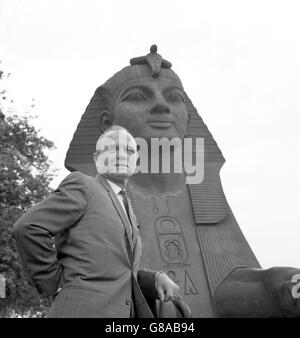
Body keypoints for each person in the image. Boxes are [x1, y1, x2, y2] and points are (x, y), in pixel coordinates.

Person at [65, 45, 300, 317]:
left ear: (188, 118)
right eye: (138, 96)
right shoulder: (89, 194)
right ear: (107, 123)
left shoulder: (202, 193)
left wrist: (281, 285)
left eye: (174, 97)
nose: (161, 105)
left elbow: (227, 288)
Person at [12, 125, 182, 318]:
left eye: (129, 150)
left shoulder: (127, 207)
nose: (121, 155)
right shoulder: (84, 185)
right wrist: (55, 285)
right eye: (112, 149)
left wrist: (154, 278)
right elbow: (28, 228)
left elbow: (116, 270)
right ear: (96, 159)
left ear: (137, 160)